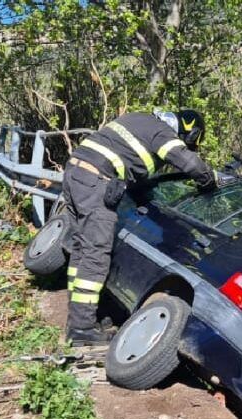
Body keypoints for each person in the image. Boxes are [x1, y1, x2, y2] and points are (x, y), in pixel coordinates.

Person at [63, 109, 218, 345]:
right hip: (96, 182)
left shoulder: (140, 119)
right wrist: (208, 180)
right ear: (188, 131)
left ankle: (78, 318)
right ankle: (82, 329)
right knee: (96, 255)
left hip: (76, 173)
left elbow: (133, 171)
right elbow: (188, 162)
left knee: (82, 251)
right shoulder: (162, 133)